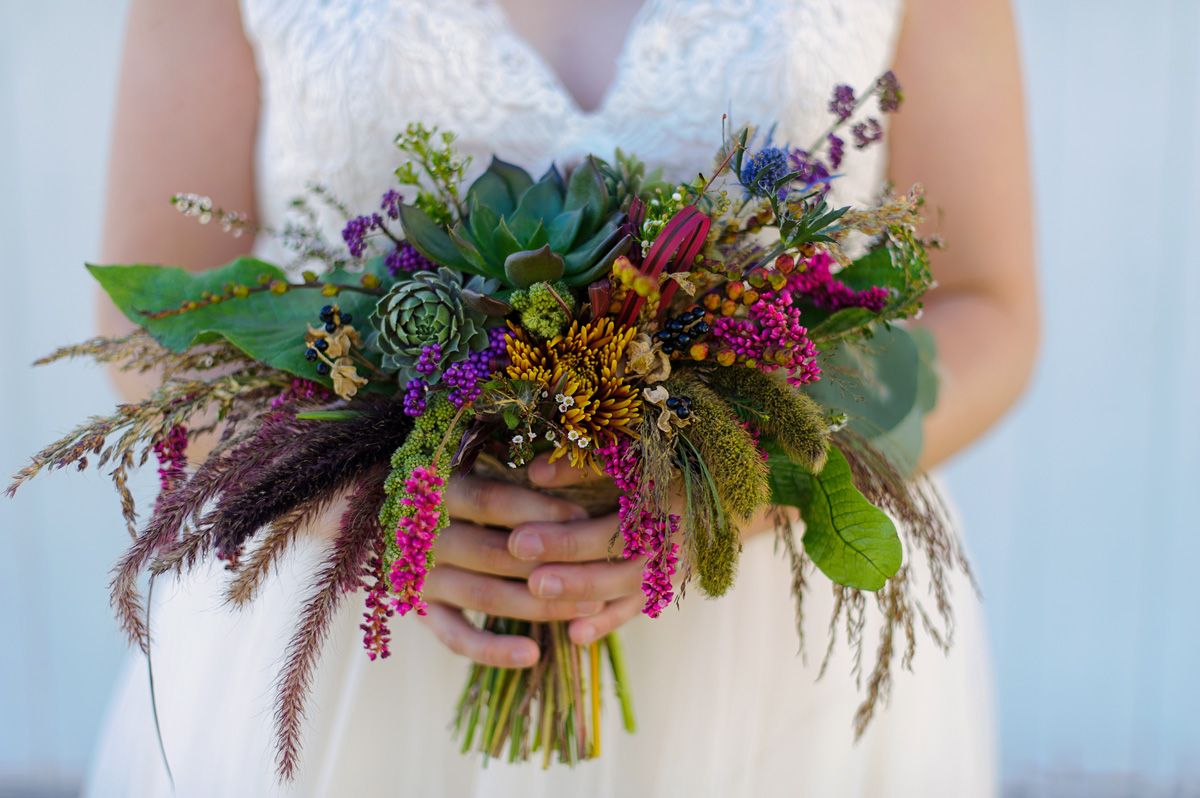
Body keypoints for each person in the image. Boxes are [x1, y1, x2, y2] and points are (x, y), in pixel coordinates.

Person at [88, 0, 1038, 795]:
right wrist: (369, 500)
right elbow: (154, 311)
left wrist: (750, 478)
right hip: (350, 632)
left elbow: (985, 310)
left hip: (771, 663)